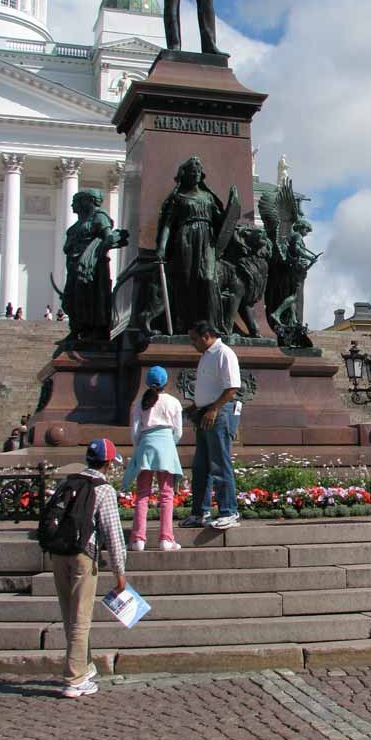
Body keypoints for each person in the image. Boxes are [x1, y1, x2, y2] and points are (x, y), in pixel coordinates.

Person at [51, 438, 127, 698]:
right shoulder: (103, 489)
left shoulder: (68, 482)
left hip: (59, 554)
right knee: (81, 619)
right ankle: (74, 680)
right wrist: (120, 574)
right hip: (84, 555)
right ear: (107, 463)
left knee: (69, 615)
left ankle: (85, 665)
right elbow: (114, 535)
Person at [180, 320, 241, 530]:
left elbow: (232, 386)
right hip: (205, 413)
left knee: (220, 464)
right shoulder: (207, 355)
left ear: (206, 336)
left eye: (194, 339)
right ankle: (200, 512)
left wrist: (213, 409)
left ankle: (229, 512)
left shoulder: (224, 353)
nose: (192, 344)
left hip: (219, 413)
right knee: (201, 466)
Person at [155, 157, 226, 335]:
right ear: (185, 175)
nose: (195, 175)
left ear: (202, 175)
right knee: (185, 279)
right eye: (191, 172)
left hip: (207, 240)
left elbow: (220, 221)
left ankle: (211, 324)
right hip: (185, 238)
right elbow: (168, 224)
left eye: (198, 172)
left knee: (209, 279)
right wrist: (162, 247)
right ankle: (184, 322)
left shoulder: (208, 196)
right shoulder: (179, 197)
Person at [122, 366, 183, 552]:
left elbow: (135, 432)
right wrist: (169, 444)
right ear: (166, 382)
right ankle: (166, 539)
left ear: (147, 382)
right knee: (167, 495)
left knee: (142, 494)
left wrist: (140, 448)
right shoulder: (173, 402)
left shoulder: (141, 402)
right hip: (166, 447)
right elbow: (178, 431)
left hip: (145, 446)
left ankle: (138, 539)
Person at [61, 189, 128, 341]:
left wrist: (103, 244)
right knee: (71, 296)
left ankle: (93, 329)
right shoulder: (81, 221)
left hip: (92, 267)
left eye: (75, 202)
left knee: (88, 296)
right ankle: (76, 329)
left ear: (87, 201)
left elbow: (108, 237)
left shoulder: (99, 217)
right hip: (75, 264)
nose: (72, 205)